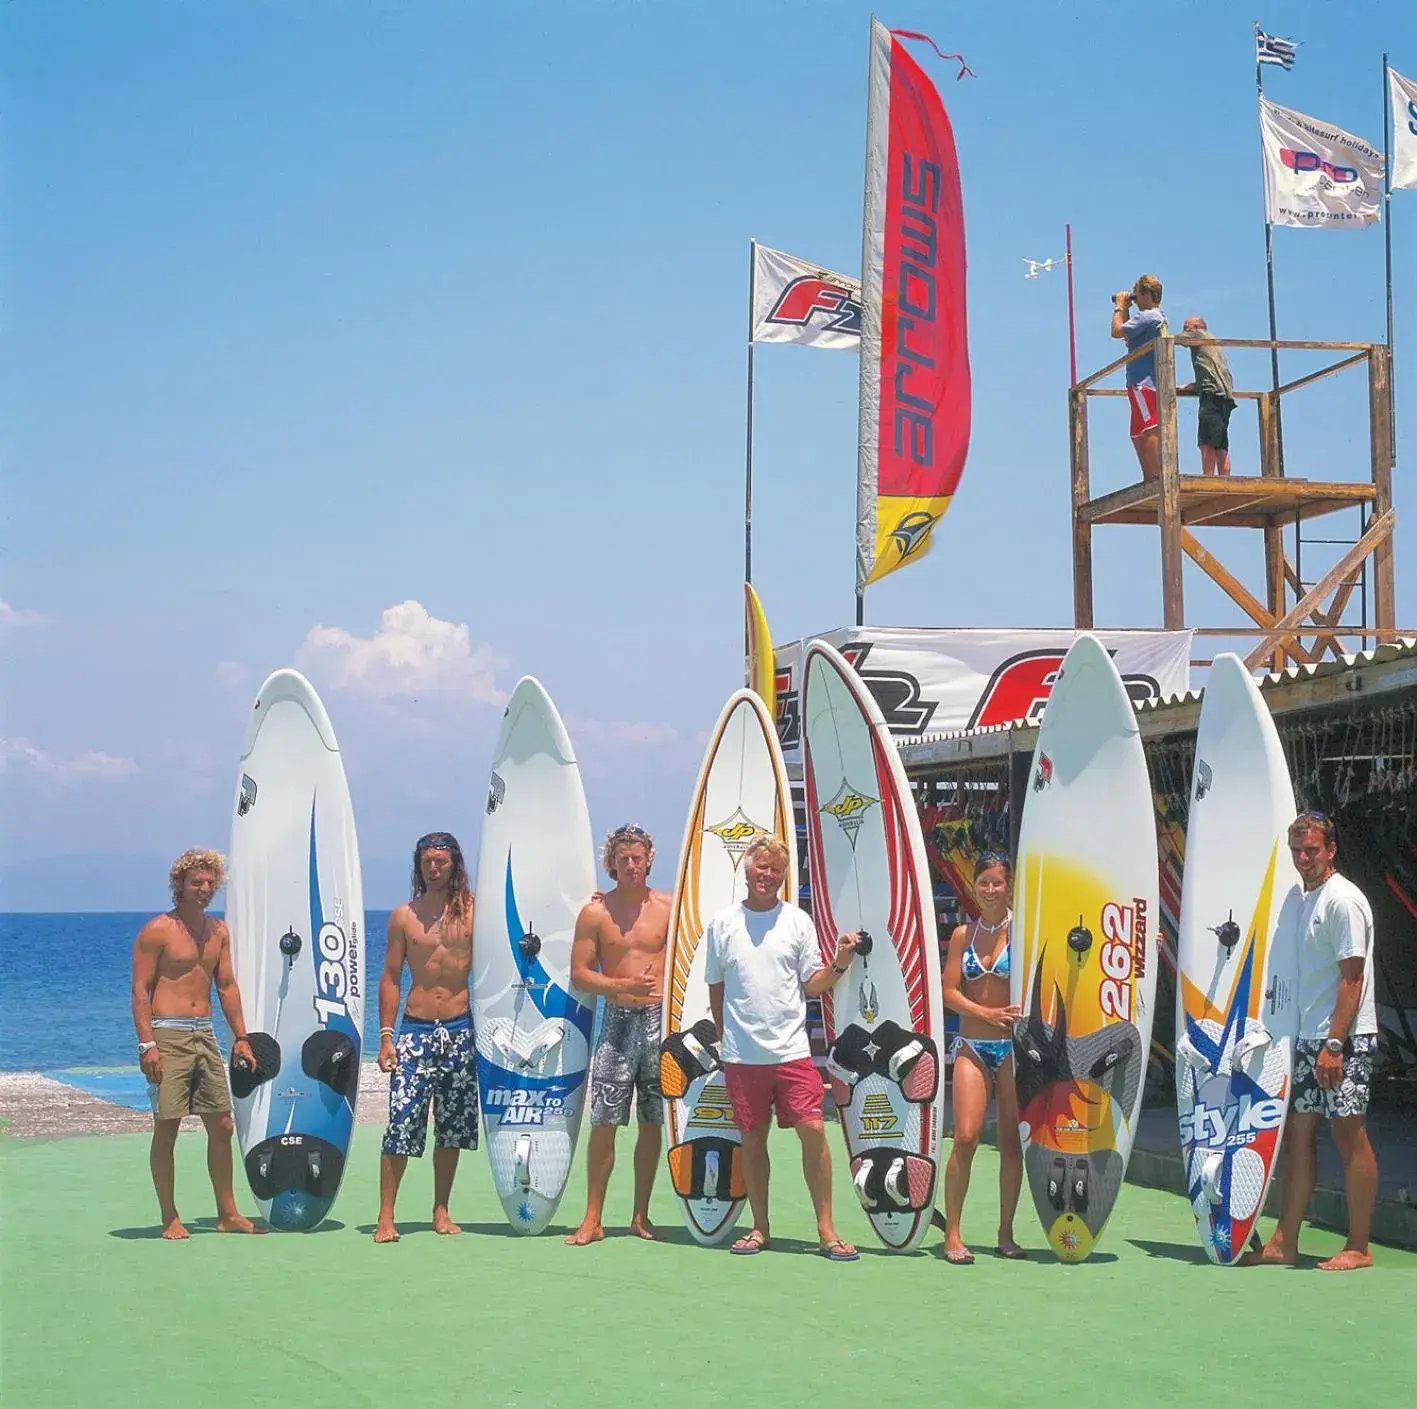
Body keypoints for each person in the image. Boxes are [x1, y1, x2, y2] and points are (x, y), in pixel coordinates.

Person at [704, 834, 860, 1261]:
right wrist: (725, 1037)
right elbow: (716, 988)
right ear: (747, 870)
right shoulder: (721, 924)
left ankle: (827, 1231)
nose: (768, 876)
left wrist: (841, 961)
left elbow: (813, 984)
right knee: (753, 1140)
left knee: (814, 1132)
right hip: (742, 1057)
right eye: (761, 868)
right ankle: (760, 1228)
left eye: (776, 870)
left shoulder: (797, 921)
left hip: (791, 1053)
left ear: (784, 876)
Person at [1244, 812, 1379, 1272]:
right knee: (1297, 1136)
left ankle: (1359, 1246)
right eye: (1297, 851)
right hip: (1306, 1038)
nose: (1303, 859)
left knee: (1348, 1135)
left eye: (1312, 850)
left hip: (1345, 1039)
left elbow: (1352, 980)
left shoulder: (1343, 901)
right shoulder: (1303, 900)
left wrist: (1335, 1046)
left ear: (1331, 849)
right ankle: (1285, 1241)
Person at [130, 848, 262, 1239]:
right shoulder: (158, 930)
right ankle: (169, 1216)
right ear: (180, 885)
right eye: (196, 882)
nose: (204, 888)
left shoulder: (218, 931)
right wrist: (146, 1045)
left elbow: (226, 985)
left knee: (221, 1124)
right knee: (166, 1126)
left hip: (204, 1033)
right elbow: (140, 990)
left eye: (210, 882)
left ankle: (227, 1213)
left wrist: (241, 1037)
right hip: (167, 1034)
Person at [564, 824, 671, 1245]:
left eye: (637, 858)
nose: (631, 865)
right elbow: (579, 974)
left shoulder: (669, 905)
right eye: (623, 858)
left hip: (660, 1025)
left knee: (653, 1121)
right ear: (612, 862)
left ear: (648, 860)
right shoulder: (595, 913)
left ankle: (640, 1216)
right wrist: (621, 987)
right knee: (604, 1120)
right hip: (617, 1023)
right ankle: (592, 1218)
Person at [373, 832, 478, 1243]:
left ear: (455, 865)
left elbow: (521, 927)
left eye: (441, 862)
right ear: (419, 866)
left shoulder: (474, 912)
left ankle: (441, 1209)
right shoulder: (405, 915)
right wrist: (385, 1038)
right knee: (401, 1122)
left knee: (450, 1128)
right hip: (415, 1031)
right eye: (427, 862)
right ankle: (386, 1216)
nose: (433, 869)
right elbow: (391, 978)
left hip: (460, 1029)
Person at [939, 853, 1026, 1264]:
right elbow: (949, 991)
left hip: (1013, 1050)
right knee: (966, 1137)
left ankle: (1005, 1232)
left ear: (1010, 886)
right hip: (972, 1046)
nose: (990, 890)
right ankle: (953, 1232)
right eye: (983, 883)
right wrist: (986, 1014)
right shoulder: (963, 935)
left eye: (997, 883)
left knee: (1012, 1145)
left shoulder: (1026, 931)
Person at [1110, 274, 1168, 482]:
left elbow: (1116, 331)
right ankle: (1150, 477)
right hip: (1141, 382)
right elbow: (1127, 335)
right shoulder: (1155, 318)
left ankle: (1155, 477)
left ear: (1145, 294)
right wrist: (1126, 308)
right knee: (1137, 432)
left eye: (1136, 292)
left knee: (1149, 427)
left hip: (1144, 382)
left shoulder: (1147, 316)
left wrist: (1119, 306)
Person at [1178, 315, 1237, 476]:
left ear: (1197, 327)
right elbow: (1211, 371)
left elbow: (1173, 340)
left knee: (1207, 443)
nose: (1185, 331)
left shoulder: (1199, 335)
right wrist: (1194, 386)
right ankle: (1224, 481)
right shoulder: (1210, 343)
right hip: (1222, 396)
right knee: (1220, 442)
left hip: (1212, 396)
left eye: (1186, 327)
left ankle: (1209, 480)